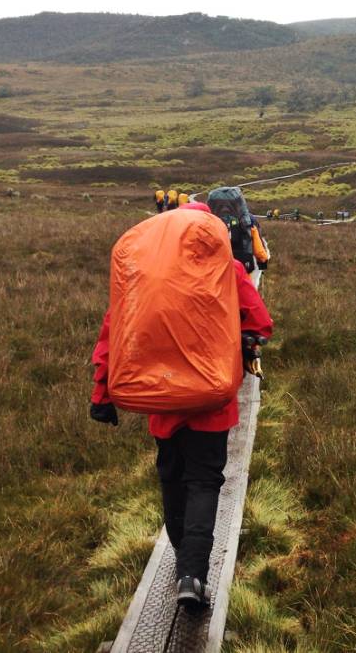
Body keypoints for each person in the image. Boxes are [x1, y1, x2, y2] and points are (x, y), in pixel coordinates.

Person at [88, 201, 273, 610]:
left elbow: (113, 333)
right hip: (210, 401)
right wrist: (243, 339)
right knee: (204, 482)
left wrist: (102, 394)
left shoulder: (142, 277)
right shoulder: (227, 269)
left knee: (172, 480)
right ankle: (193, 575)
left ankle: (180, 563)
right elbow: (260, 322)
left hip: (163, 399)